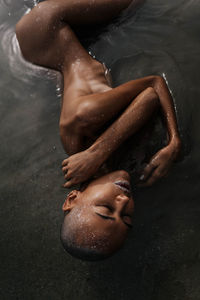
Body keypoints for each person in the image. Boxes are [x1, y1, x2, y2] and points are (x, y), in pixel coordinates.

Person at [15, 0, 181, 261]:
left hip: (44, 29)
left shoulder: (81, 124)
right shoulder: (119, 166)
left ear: (72, 199)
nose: (124, 203)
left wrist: (173, 143)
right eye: (126, 218)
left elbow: (152, 88)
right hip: (59, 59)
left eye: (105, 209)